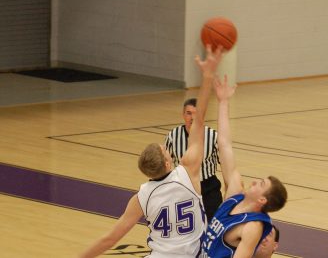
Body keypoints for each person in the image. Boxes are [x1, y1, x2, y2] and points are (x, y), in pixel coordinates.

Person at [78, 45, 224, 258]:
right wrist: (208, 77)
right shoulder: (187, 173)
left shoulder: (142, 196)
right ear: (167, 163)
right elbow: (199, 120)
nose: (167, 148)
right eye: (165, 150)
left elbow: (109, 239)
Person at [202, 76, 288, 258]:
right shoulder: (234, 195)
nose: (255, 181)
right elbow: (224, 144)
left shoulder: (252, 227)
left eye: (261, 184)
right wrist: (223, 102)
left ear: (262, 200)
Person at [165, 97, 222, 221]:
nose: (192, 118)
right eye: (189, 113)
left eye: (196, 114)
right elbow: (166, 165)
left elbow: (224, 164)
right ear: (183, 115)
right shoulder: (173, 136)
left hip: (208, 187)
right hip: (182, 187)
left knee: (213, 225)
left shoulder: (213, 136)